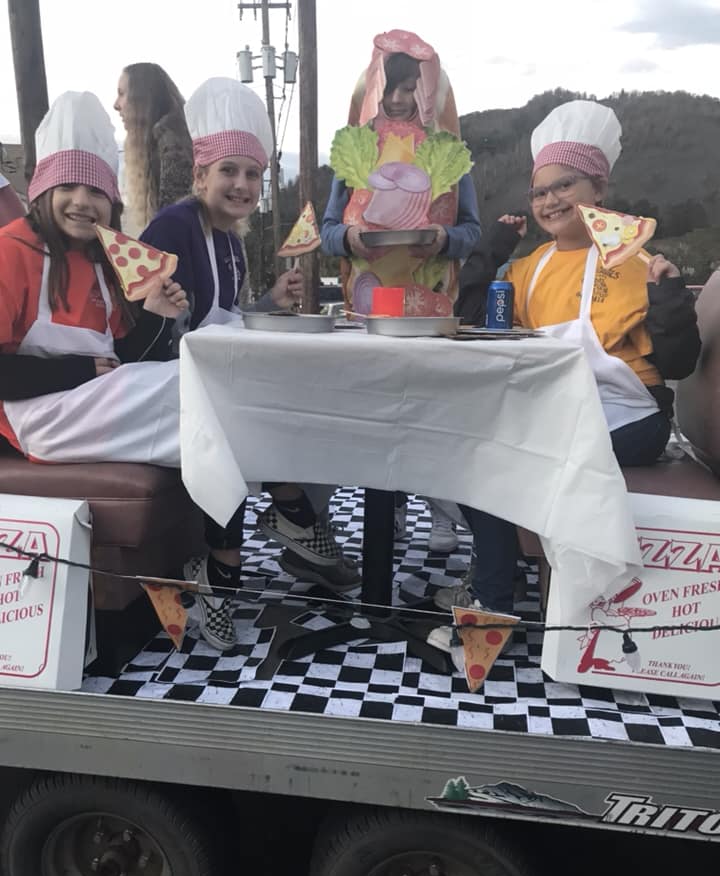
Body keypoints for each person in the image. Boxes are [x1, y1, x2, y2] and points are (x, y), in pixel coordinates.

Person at [0, 89, 354, 653]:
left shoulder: (102, 258)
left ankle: (227, 568)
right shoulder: (11, 250)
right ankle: (285, 516)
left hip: (92, 401)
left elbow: (126, 357)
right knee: (217, 394)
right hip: (35, 419)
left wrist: (152, 316)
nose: (83, 202)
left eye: (96, 191)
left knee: (222, 406)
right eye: (69, 187)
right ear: (42, 190)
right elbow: (84, 368)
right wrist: (76, 371)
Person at [435, 99, 701, 615]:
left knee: (502, 465)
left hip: (630, 416)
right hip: (560, 411)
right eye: (539, 192)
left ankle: (492, 600)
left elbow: (678, 364)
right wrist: (492, 249)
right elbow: (474, 321)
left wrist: (670, 299)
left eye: (565, 186)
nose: (550, 200)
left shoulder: (633, 261)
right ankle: (499, 581)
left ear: (598, 189)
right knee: (470, 460)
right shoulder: (531, 267)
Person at [321, 29, 482, 550]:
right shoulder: (354, 150)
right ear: (371, 91)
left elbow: (472, 232)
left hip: (428, 308)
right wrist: (348, 237)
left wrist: (443, 238)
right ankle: (383, 511)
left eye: (409, 87)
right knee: (374, 414)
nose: (397, 98)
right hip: (365, 308)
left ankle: (439, 509)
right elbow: (327, 231)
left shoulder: (450, 153)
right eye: (388, 87)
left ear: (428, 91)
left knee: (430, 412)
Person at [114, 63, 193, 237]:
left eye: (122, 94)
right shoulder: (171, 136)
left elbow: (172, 224)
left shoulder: (170, 141)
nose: (116, 105)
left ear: (141, 98)